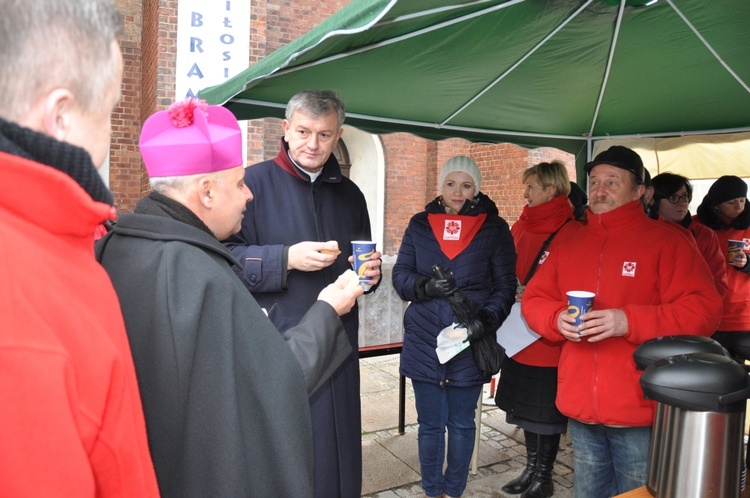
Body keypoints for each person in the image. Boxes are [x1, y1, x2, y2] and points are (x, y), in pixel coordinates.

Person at [96, 99, 364, 497]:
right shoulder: (201, 274)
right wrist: (327, 310)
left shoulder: (115, 250)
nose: (248, 196)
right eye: (239, 184)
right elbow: (271, 383)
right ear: (206, 192)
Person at [0, 0, 159, 496]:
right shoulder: (25, 297)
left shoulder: (52, 243)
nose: (111, 137)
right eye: (110, 111)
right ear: (61, 117)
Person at [521, 145, 723, 497]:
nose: (600, 190)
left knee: (637, 492)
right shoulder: (571, 238)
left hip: (640, 404)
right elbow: (535, 299)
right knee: (588, 491)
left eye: (613, 182)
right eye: (595, 181)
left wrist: (628, 321)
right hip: (580, 403)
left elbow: (704, 311)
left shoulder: (669, 241)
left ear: (640, 191)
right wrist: (556, 320)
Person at [225, 89, 382, 498]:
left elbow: (362, 263)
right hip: (282, 341)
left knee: (342, 451)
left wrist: (371, 274)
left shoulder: (351, 194)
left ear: (338, 135)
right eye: (304, 132)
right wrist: (285, 258)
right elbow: (223, 260)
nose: (314, 144)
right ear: (285, 130)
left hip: (341, 340)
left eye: (326, 135)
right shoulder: (251, 184)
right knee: (292, 456)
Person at [392, 156, 517, 498]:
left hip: (469, 341)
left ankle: (454, 490)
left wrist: (483, 322)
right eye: (451, 184)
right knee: (430, 426)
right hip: (425, 340)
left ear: (476, 188)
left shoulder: (493, 228)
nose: (457, 192)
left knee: (462, 424)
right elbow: (400, 276)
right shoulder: (420, 224)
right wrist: (427, 287)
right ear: (441, 187)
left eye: (466, 185)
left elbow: (505, 286)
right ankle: (433, 491)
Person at [495, 161, 582, 498]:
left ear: (551, 189)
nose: (525, 193)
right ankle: (530, 468)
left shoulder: (572, 230)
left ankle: (543, 477)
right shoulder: (520, 225)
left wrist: (534, 293)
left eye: (531, 187)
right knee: (526, 410)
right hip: (519, 334)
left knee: (545, 411)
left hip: (549, 336)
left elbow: (576, 284)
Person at [695, 175, 750, 357]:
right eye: (732, 202)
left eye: (742, 200)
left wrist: (747, 264)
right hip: (711, 313)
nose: (739, 207)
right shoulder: (696, 227)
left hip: (745, 315)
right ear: (716, 205)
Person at [651, 172, 727, 298]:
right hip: (653, 311)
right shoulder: (643, 234)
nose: (682, 203)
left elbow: (718, 282)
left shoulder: (704, 235)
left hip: (693, 310)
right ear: (654, 200)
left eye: (685, 197)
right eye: (673, 197)